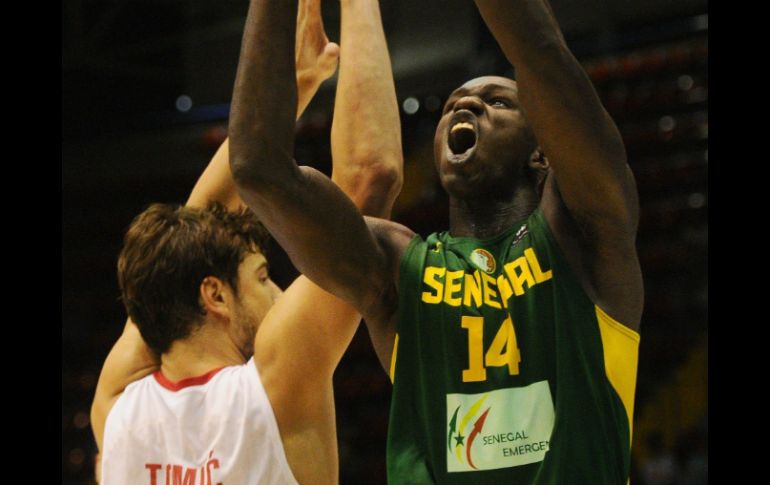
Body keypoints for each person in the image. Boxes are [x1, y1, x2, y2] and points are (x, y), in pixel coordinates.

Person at [229, 0, 643, 483]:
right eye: (451, 107)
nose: (465, 106)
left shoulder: (588, 234)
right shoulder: (396, 266)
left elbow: (542, 54)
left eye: (499, 102)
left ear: (542, 151)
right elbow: (259, 171)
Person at [90, 0, 402, 483]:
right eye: (261, 276)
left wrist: (295, 85)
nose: (278, 292)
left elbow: (184, 241)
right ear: (214, 295)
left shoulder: (115, 410)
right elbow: (367, 180)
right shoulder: (273, 388)